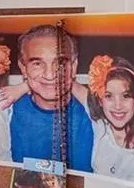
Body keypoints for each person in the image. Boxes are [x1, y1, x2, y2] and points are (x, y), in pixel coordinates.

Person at [7, 25, 94, 172]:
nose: (50, 75)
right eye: (37, 63)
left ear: (74, 66)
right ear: (23, 68)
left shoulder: (100, 116)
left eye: (60, 63)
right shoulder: (4, 114)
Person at [87, 56, 134, 185]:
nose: (118, 106)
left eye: (126, 96)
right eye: (108, 96)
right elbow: (68, 82)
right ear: (99, 101)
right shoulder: (101, 127)